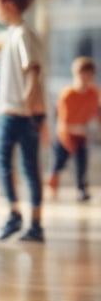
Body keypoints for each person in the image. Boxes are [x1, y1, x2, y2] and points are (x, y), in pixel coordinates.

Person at [0, 0, 46, 242]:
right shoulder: (14, 34)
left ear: (8, 3)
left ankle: (16, 217)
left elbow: (33, 72)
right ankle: (33, 224)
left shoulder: (21, 35)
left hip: (15, 113)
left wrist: (28, 107)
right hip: (24, 113)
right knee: (28, 167)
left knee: (5, 163)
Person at [47, 56, 101, 202]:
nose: (85, 78)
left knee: (81, 161)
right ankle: (52, 181)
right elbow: (63, 122)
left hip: (81, 134)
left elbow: (97, 112)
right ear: (76, 74)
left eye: (89, 75)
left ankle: (81, 189)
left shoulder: (94, 93)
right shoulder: (67, 95)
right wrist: (69, 140)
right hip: (65, 134)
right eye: (83, 74)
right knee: (59, 162)